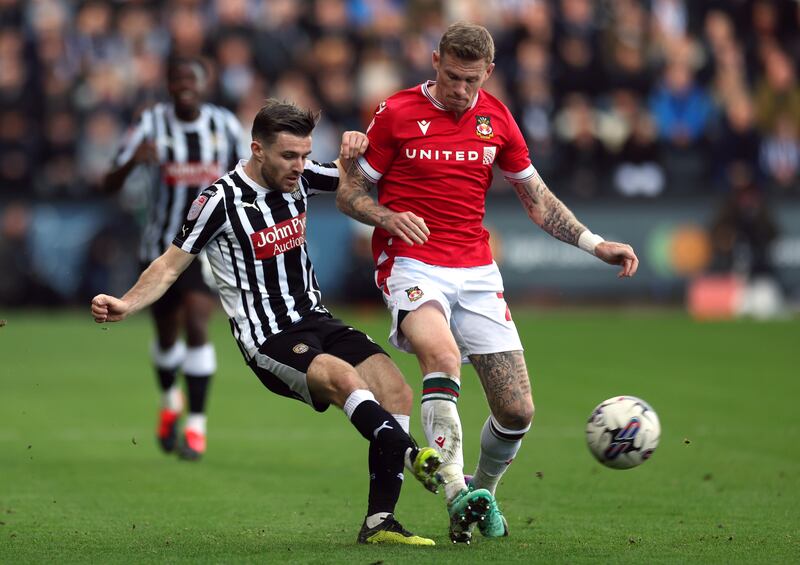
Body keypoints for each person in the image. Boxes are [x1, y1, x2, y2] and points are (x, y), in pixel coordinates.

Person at [336, 22, 639, 544]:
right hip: (411, 263)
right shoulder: (396, 113)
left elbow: (537, 200)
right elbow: (349, 194)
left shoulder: (496, 117)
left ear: (489, 73)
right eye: (452, 76)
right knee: (443, 356)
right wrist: (387, 218)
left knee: (518, 410)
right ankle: (455, 490)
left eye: (471, 81)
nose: (459, 90)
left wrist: (594, 243)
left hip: (476, 271)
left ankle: (483, 492)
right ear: (435, 61)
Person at [91, 99, 442, 545]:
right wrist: (126, 302)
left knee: (396, 388)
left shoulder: (302, 177)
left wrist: (357, 149)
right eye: (289, 156)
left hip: (316, 318)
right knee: (344, 378)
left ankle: (380, 522)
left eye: (304, 155)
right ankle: (410, 452)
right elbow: (169, 265)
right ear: (258, 149)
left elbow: (358, 177)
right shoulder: (218, 199)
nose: (300, 166)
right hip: (269, 338)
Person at [102, 57, 248, 460]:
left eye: (192, 79)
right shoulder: (150, 125)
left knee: (198, 321)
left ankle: (197, 428)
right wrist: (133, 161)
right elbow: (106, 182)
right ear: (168, 85)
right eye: (178, 79)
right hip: (161, 249)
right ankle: (170, 402)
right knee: (167, 334)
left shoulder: (226, 125)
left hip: (209, 248)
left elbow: (250, 175)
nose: (185, 85)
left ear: (204, 84)